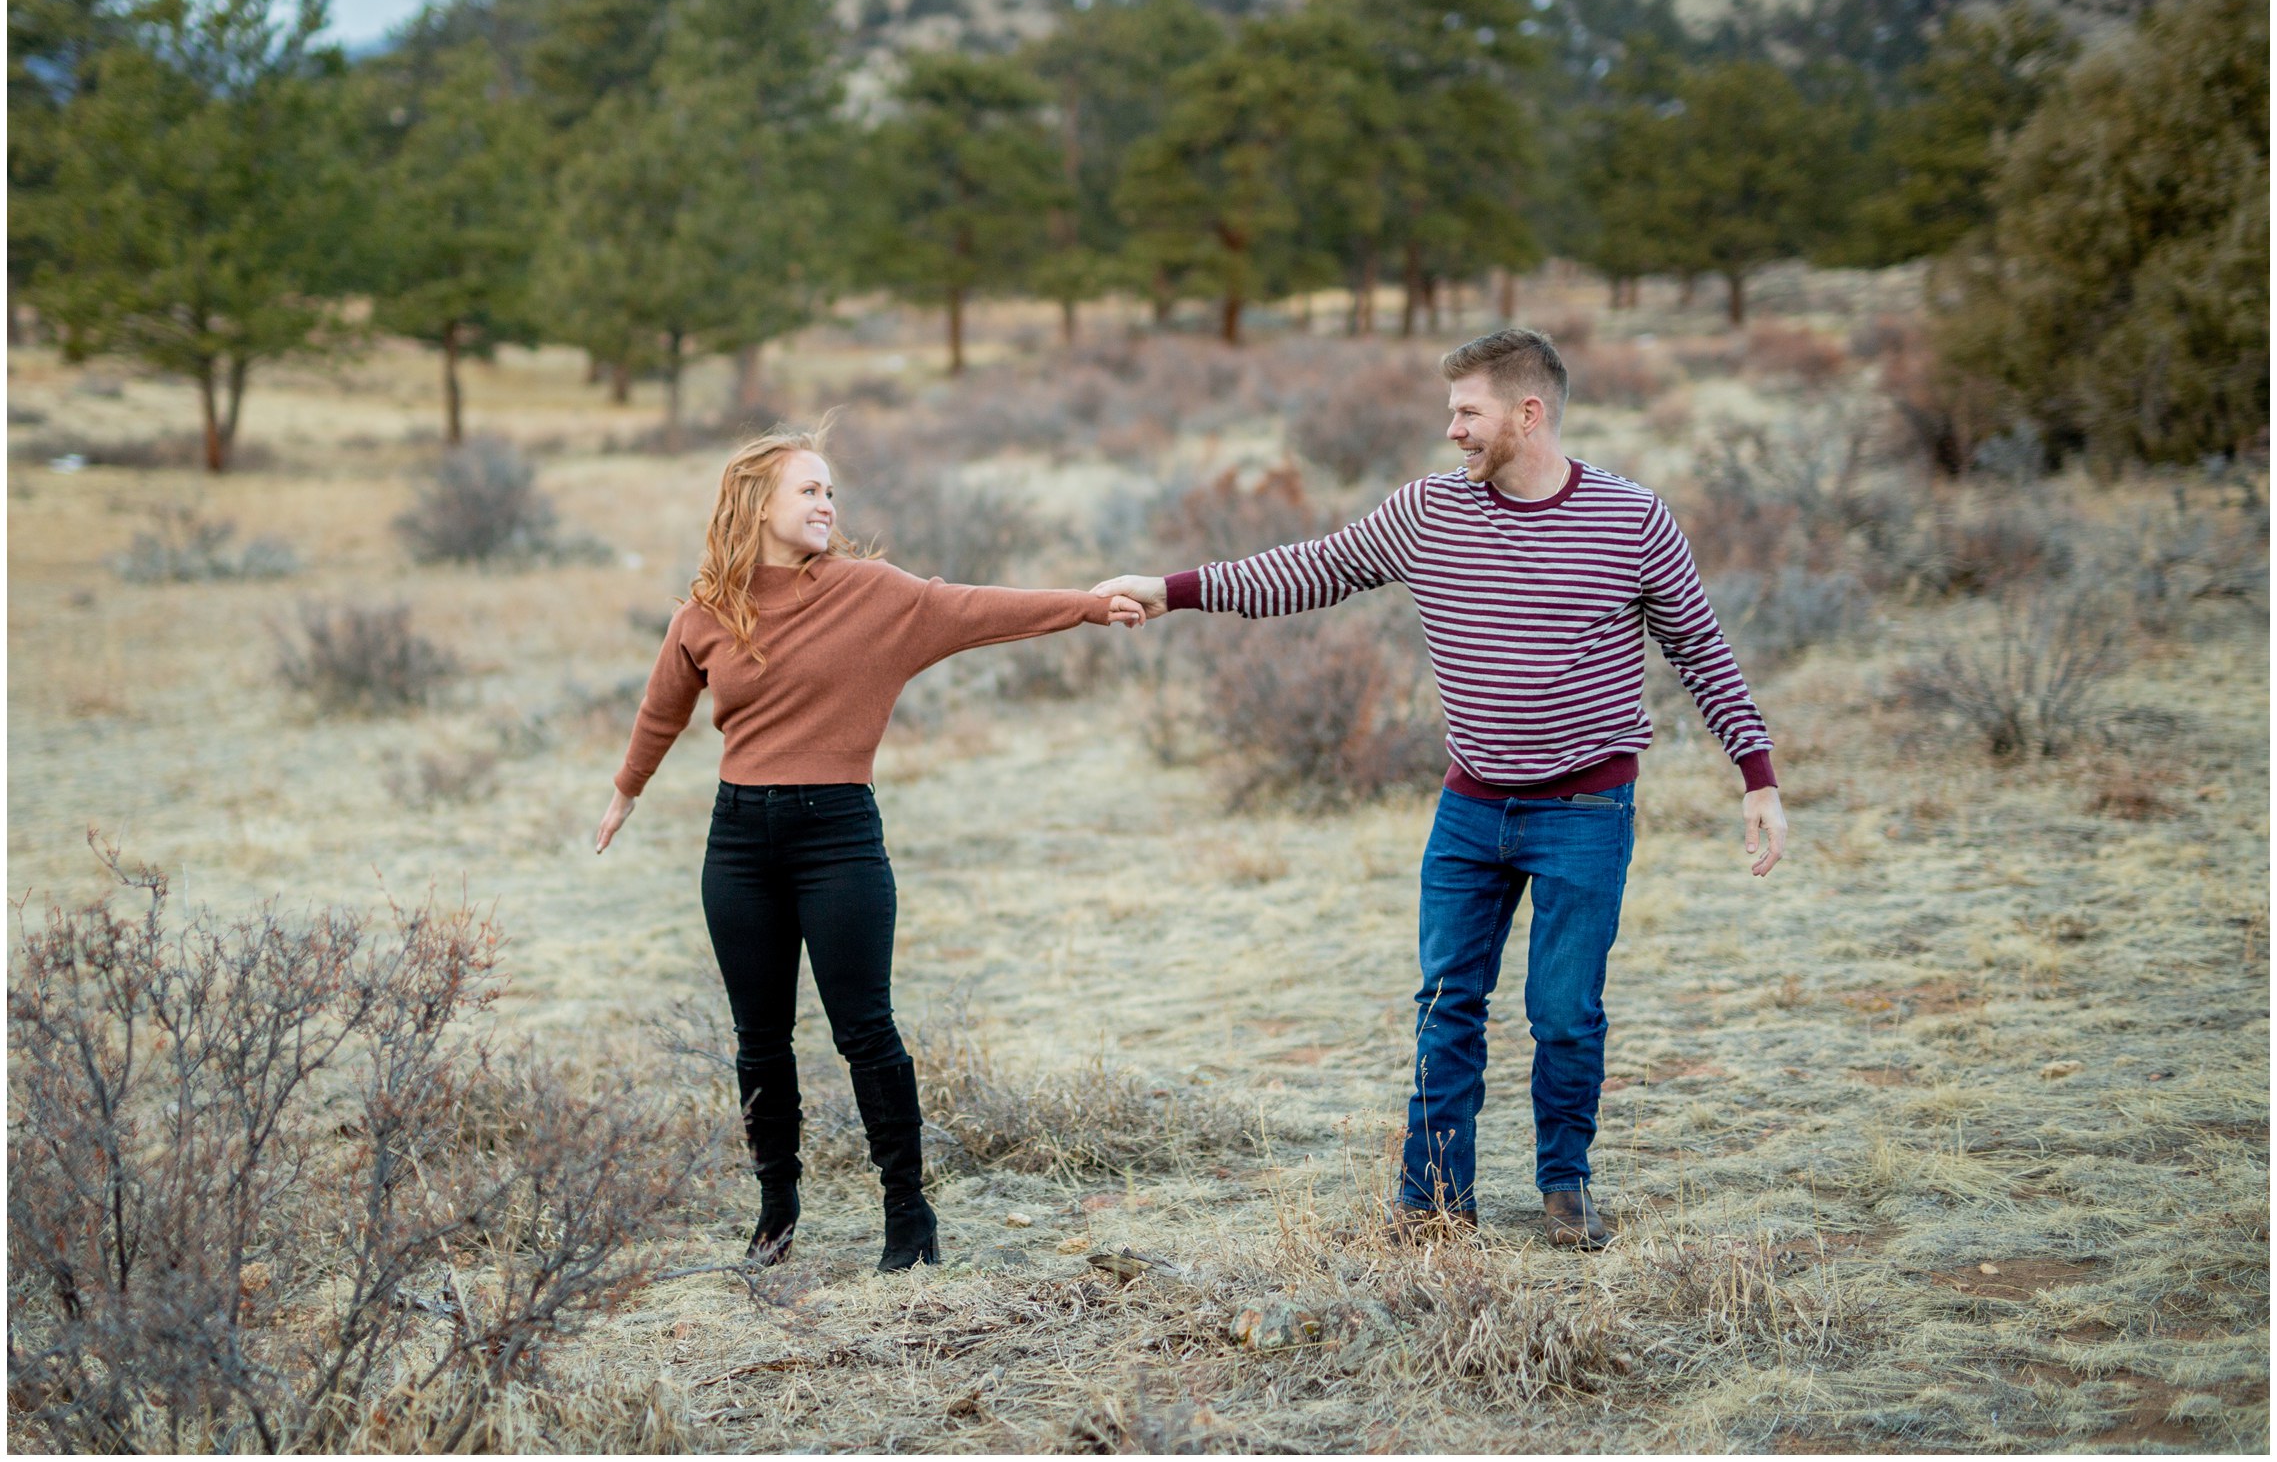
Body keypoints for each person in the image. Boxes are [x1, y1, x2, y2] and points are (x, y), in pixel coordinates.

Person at [1094, 328, 1787, 1251]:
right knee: (1446, 1000)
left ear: (1527, 413)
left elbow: (1700, 647)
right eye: (1450, 410)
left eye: (1468, 411)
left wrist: (1756, 775)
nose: (1451, 428)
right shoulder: (1428, 511)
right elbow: (1312, 567)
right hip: (1470, 806)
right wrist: (1171, 588)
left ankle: (1563, 1185)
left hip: (1586, 807)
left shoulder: (1631, 520)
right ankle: (1430, 1200)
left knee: (1563, 1012)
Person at [596, 424, 1143, 1272]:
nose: (827, 503)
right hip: (738, 841)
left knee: (865, 1029)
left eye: (829, 491)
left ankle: (907, 1215)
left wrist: (1084, 602)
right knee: (759, 1039)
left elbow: (975, 608)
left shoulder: (874, 595)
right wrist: (626, 790)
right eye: (808, 490)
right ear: (756, 505)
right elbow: (662, 706)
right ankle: (775, 1214)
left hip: (837, 836)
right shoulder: (708, 610)